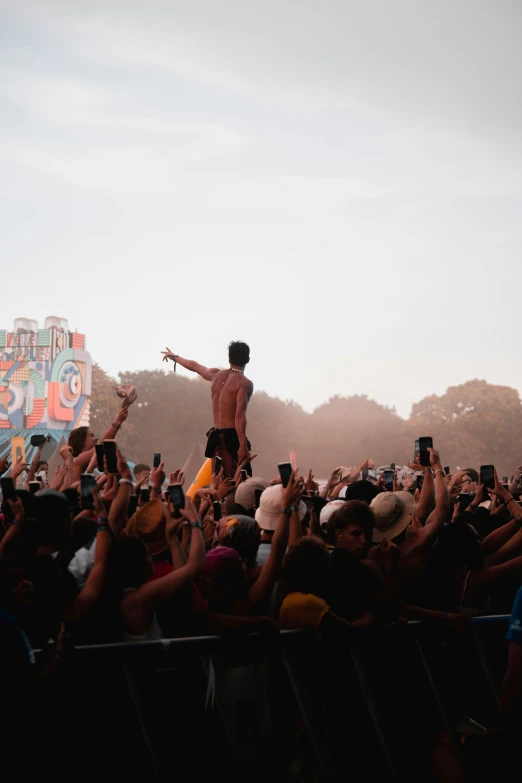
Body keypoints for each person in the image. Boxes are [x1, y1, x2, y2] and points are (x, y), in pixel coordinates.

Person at [162, 341, 254, 477]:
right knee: (241, 483)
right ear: (247, 359)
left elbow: (194, 366)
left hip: (216, 437)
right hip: (232, 438)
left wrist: (175, 357)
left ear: (229, 358)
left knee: (218, 479)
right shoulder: (245, 383)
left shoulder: (216, 375)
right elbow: (239, 416)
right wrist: (242, 445)